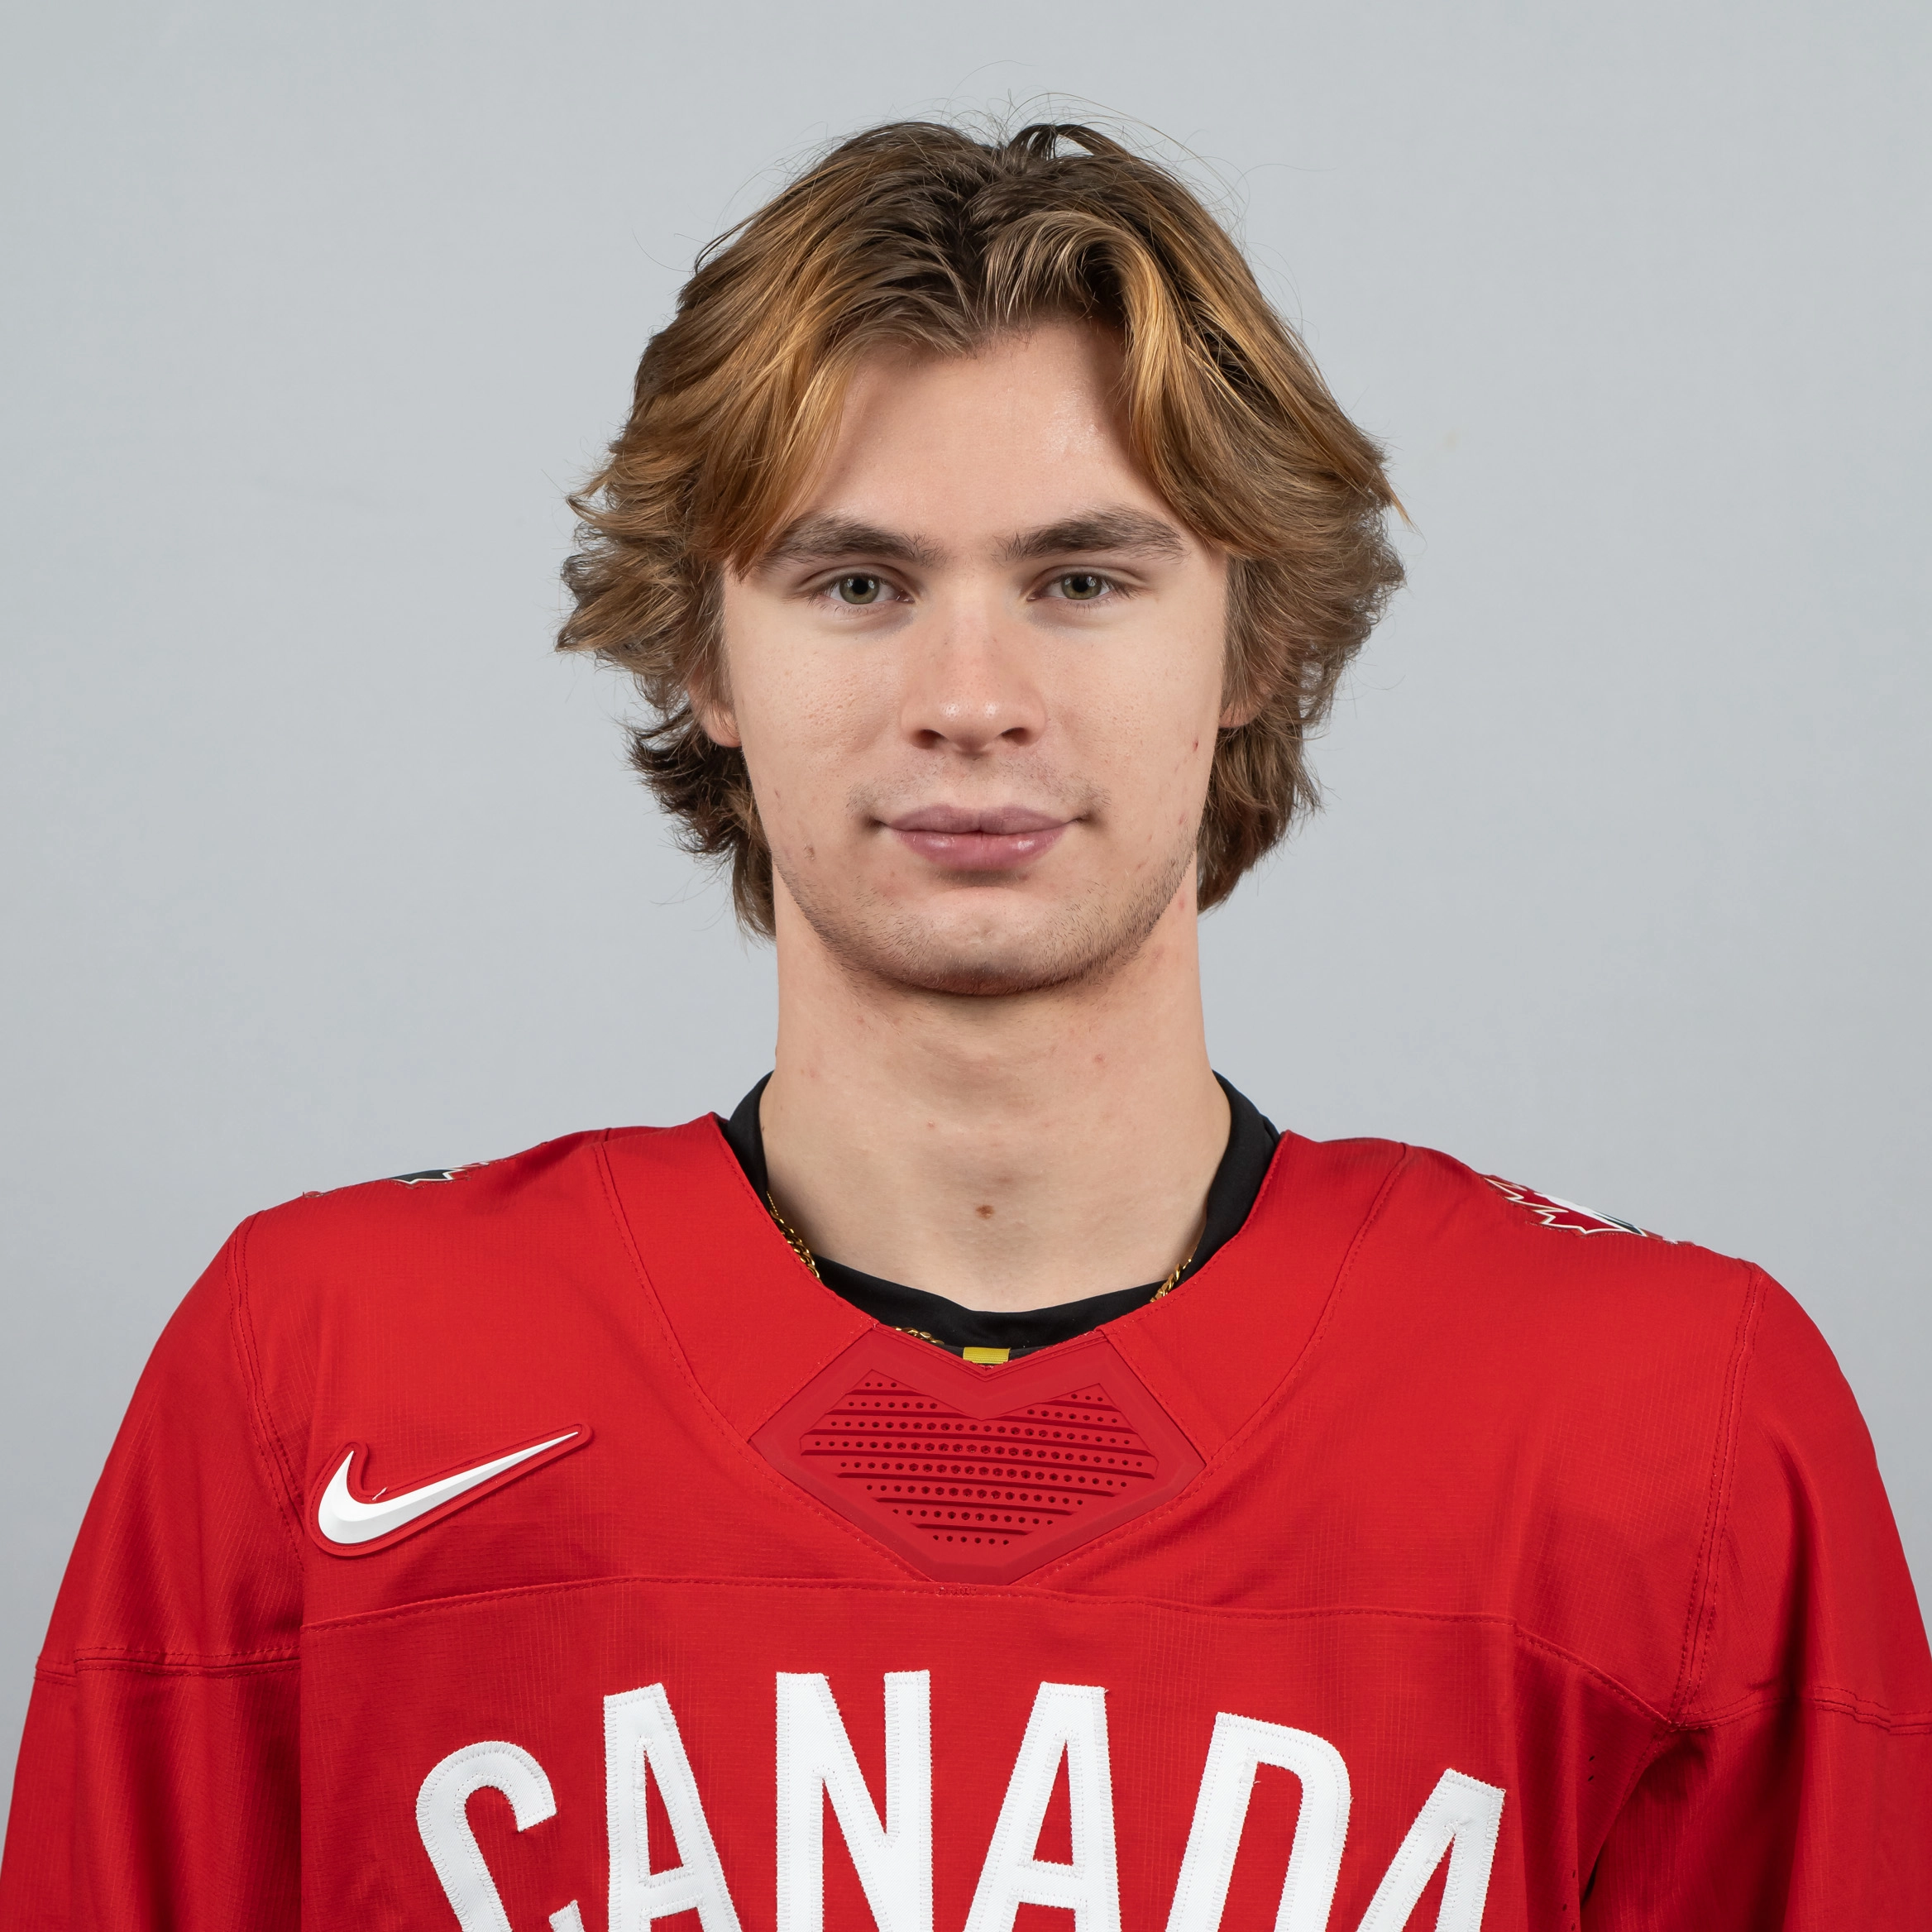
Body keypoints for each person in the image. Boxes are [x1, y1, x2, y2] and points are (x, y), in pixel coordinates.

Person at [1, 118, 1925, 1931]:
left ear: (1250, 643)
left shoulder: (1660, 1423)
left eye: (1082, 579)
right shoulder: (330, 1377)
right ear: (705, 652)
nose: (970, 695)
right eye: (856, 581)